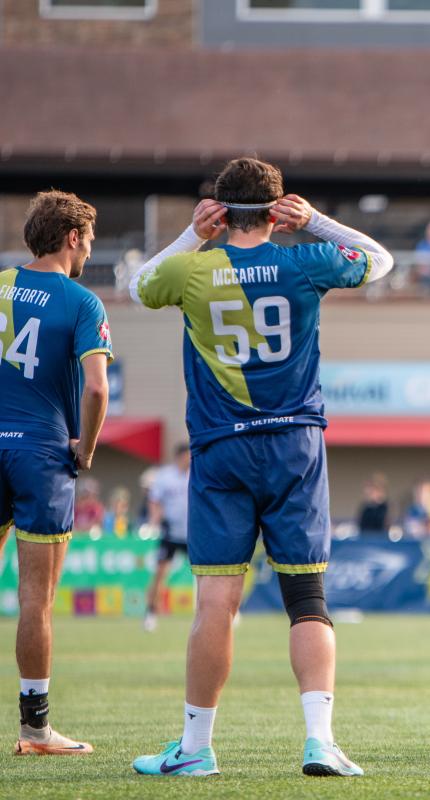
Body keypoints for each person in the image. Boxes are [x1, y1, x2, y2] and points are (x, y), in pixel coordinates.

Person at [127, 156, 394, 778]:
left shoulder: (194, 269)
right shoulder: (306, 262)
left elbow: (139, 286)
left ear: (220, 210)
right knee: (307, 598)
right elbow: (379, 260)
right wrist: (316, 220)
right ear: (277, 211)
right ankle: (320, 742)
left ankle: (196, 748)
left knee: (215, 604)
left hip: (221, 448)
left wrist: (193, 232)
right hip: (295, 444)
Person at [2, 190, 111, 755]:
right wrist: (85, 450)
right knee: (35, 601)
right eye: (89, 239)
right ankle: (35, 729)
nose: (89, 250)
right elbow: (96, 389)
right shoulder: (82, 302)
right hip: (42, 455)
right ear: (72, 237)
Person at [143, 444, 191, 633]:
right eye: (187, 456)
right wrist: (154, 521)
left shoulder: (196, 474)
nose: (190, 459)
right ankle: (151, 613)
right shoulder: (164, 476)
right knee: (160, 574)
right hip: (171, 533)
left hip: (192, 534)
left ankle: (220, 612)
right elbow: (154, 501)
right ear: (179, 456)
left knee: (206, 575)